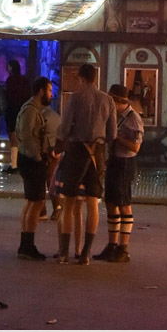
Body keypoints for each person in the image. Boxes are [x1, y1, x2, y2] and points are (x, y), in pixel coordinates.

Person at [55, 63, 117, 265]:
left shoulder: (75, 97)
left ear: (81, 78)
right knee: (92, 202)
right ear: (96, 77)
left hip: (76, 151)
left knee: (69, 202)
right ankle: (86, 254)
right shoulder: (108, 100)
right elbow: (112, 134)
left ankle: (64, 253)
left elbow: (63, 129)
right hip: (97, 153)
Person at [95, 84, 144, 263]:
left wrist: (117, 138)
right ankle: (111, 245)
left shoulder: (133, 119)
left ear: (117, 101)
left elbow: (136, 147)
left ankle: (123, 248)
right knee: (111, 201)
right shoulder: (114, 116)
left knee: (123, 202)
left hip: (125, 162)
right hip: (114, 160)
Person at [15, 76, 53, 260]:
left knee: (32, 201)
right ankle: (27, 244)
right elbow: (27, 136)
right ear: (41, 91)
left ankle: (25, 244)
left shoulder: (34, 109)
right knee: (37, 202)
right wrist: (38, 158)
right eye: (49, 90)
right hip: (31, 160)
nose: (51, 94)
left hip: (29, 159)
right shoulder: (30, 110)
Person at [5, 60, 32, 173]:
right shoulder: (25, 81)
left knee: (13, 137)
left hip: (12, 110)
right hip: (24, 110)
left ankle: (14, 164)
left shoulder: (10, 80)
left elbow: (8, 96)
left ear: (11, 68)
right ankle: (23, 162)